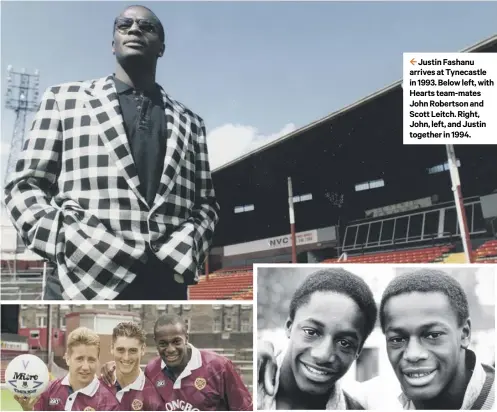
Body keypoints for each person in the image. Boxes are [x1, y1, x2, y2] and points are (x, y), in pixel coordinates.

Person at [3, 4, 220, 300]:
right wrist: (64, 241)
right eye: (124, 25)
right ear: (112, 43)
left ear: (162, 48)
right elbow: (24, 186)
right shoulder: (64, 99)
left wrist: (188, 245)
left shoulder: (191, 122)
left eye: (147, 27)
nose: (134, 30)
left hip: (164, 280)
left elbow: (206, 202)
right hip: (81, 278)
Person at [258, 268, 377, 410]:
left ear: (358, 351)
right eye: (311, 332)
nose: (323, 355)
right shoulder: (246, 383)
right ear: (289, 327)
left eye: (344, 343)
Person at [377, 269, 494, 410]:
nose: (413, 354)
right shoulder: (372, 402)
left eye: (433, 335)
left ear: (465, 334)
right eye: (397, 339)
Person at [101, 314, 253, 411]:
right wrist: (116, 367)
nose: (170, 349)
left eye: (176, 341)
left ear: (186, 338)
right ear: (155, 343)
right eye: (163, 343)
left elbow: (245, 408)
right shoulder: (153, 370)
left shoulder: (219, 367)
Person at [15, 327, 120, 411]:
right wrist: (28, 409)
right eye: (79, 359)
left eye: (91, 360)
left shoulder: (110, 400)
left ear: (98, 360)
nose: (85, 367)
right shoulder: (49, 390)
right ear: (67, 359)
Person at [103, 321, 164, 410]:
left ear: (143, 349)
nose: (126, 357)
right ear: (112, 348)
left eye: (132, 350)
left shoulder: (156, 394)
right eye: (121, 350)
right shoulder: (97, 387)